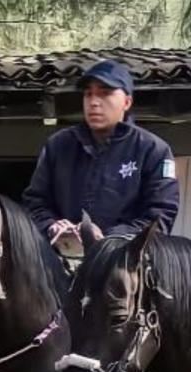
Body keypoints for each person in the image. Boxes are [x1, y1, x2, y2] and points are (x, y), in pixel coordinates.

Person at [23, 59, 180, 245]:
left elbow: (160, 216)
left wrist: (110, 238)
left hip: (123, 263)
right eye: (88, 94)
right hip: (59, 260)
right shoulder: (58, 145)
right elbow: (35, 201)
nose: (94, 102)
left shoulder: (153, 150)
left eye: (105, 93)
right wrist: (51, 226)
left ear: (127, 102)